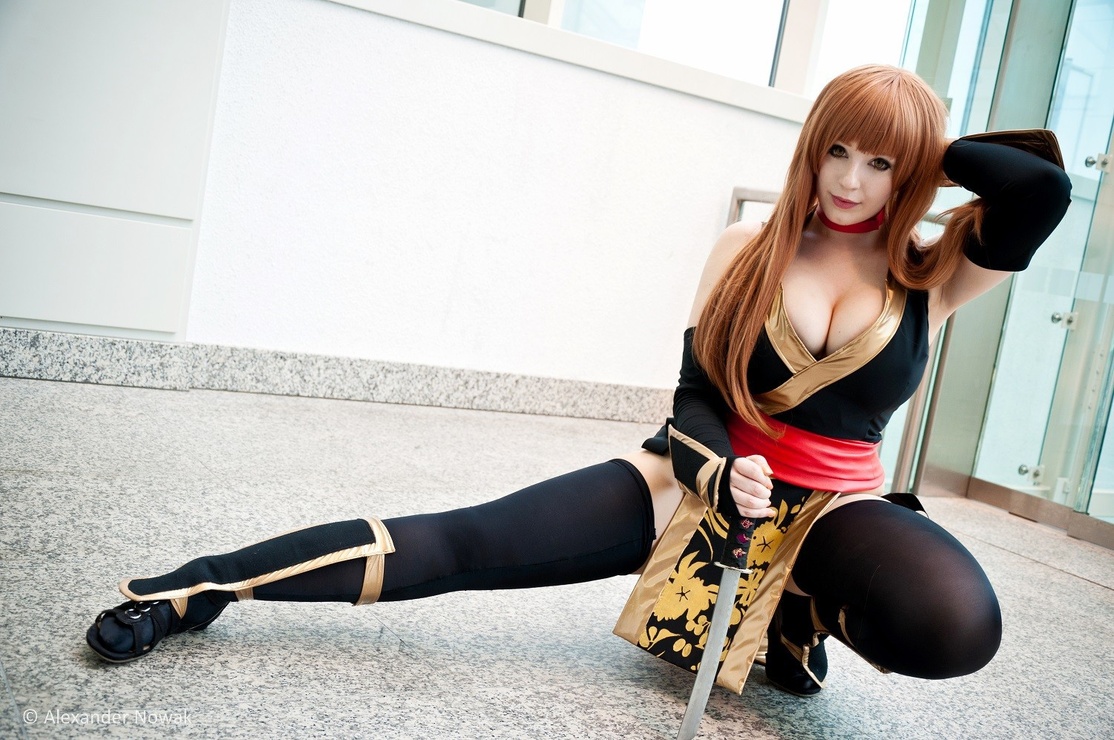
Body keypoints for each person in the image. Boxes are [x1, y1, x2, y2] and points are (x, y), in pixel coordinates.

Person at [86, 65, 1071, 700]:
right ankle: (195, 586)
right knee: (465, 541)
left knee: (955, 622)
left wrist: (924, 145)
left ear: (910, 174)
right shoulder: (749, 246)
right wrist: (718, 469)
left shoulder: (934, 272)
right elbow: (694, 395)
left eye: (879, 163)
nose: (849, 181)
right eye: (836, 151)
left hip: (834, 511)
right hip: (701, 476)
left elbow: (1040, 189)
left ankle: (796, 609)